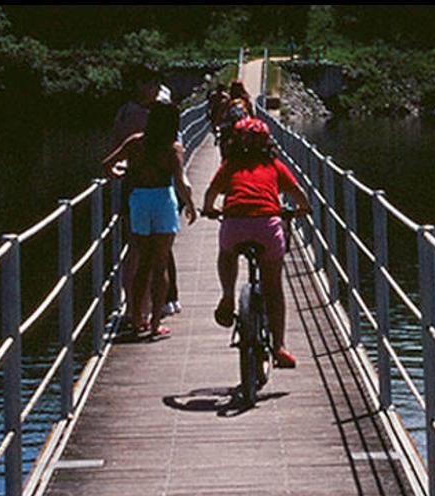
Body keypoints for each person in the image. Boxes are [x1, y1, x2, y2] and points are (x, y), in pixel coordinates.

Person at [202, 117, 310, 368]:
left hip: (235, 224)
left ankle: (228, 295)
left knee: (227, 253)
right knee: (274, 288)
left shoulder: (230, 166)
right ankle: (280, 347)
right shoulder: (274, 166)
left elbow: (210, 194)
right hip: (267, 226)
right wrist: (303, 209)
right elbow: (300, 196)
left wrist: (210, 209)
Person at [103, 102, 197, 338]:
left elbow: (108, 164)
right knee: (160, 263)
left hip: (139, 200)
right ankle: (155, 323)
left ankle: (137, 319)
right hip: (163, 200)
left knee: (142, 262)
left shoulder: (135, 142)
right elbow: (179, 181)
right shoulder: (173, 148)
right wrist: (192, 206)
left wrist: (119, 173)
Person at [111, 66, 182, 319]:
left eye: (153, 83)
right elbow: (118, 149)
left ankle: (152, 306)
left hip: (150, 187)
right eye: (148, 82)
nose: (151, 88)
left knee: (152, 250)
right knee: (144, 250)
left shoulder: (145, 111)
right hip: (142, 187)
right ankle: (139, 309)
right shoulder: (131, 113)